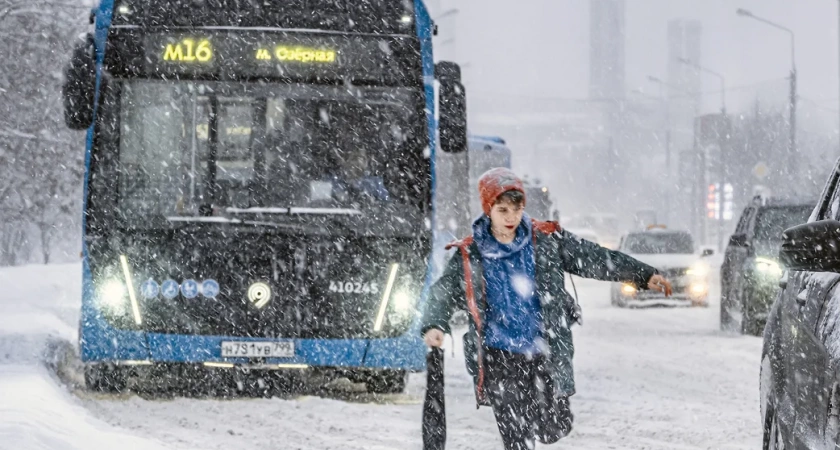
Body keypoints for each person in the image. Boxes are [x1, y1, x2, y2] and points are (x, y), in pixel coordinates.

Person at [421, 168, 672, 450]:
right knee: (517, 435)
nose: (510, 217)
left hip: (542, 352)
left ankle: (545, 421)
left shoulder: (545, 240)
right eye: (502, 209)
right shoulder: (472, 253)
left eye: (517, 209)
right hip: (499, 357)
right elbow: (441, 293)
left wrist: (641, 274)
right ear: (488, 209)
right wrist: (434, 324)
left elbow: (595, 257)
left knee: (554, 426)